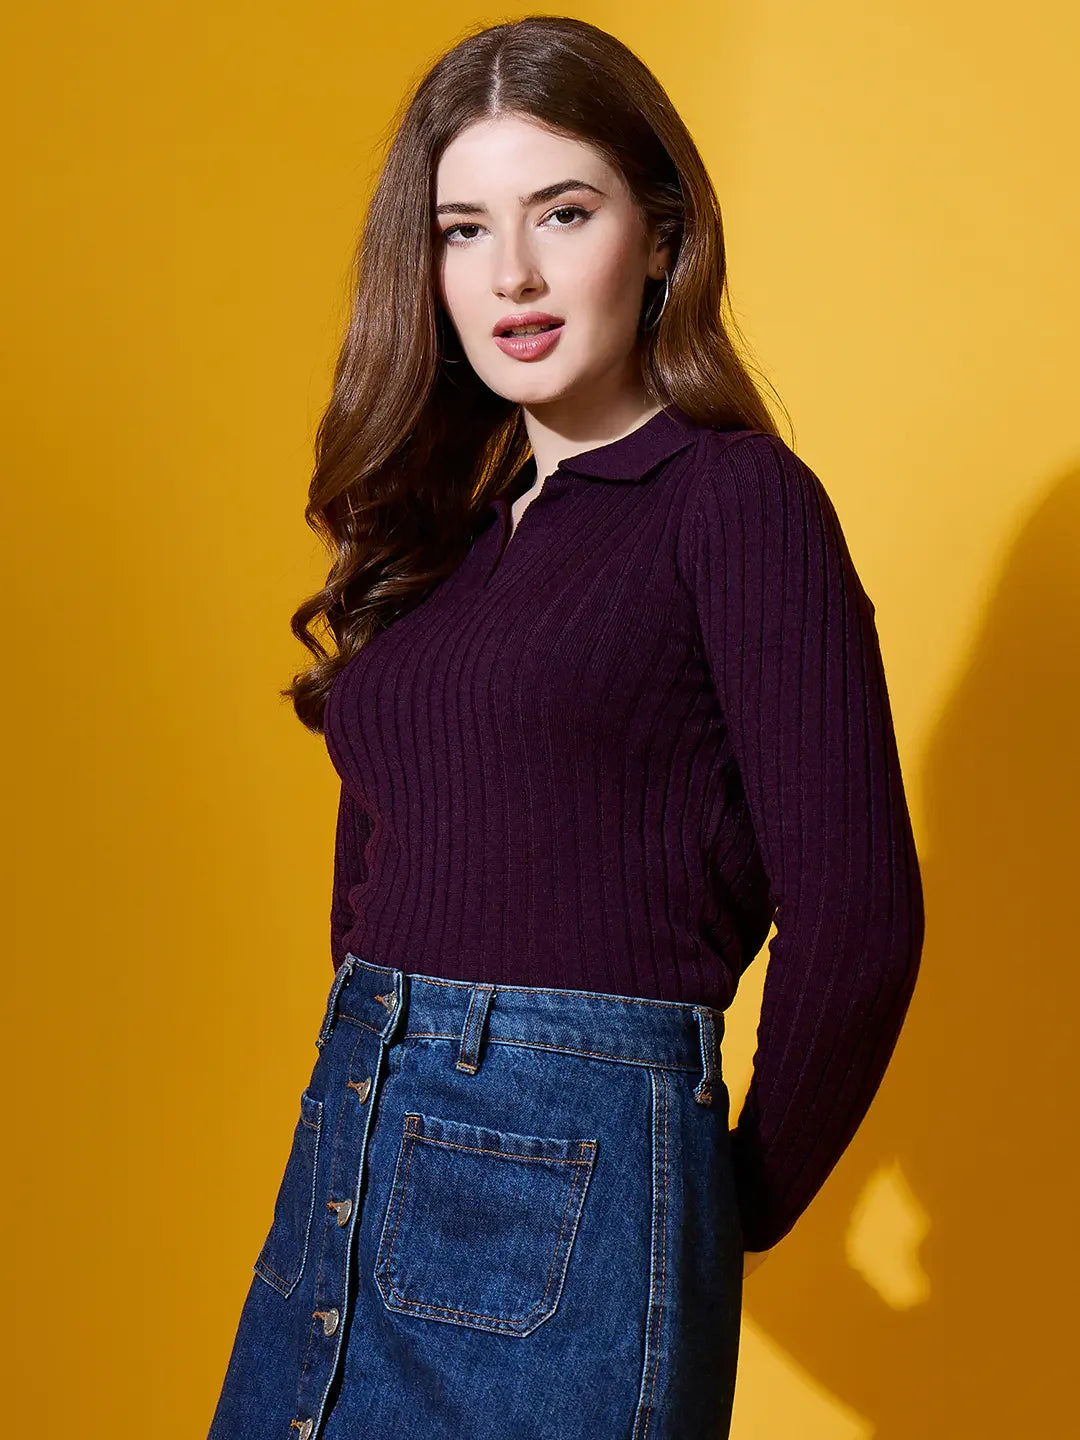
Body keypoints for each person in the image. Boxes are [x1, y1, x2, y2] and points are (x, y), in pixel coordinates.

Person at [206, 15, 924, 1440]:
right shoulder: (451, 544)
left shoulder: (734, 505)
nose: (512, 274)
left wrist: (724, 1198)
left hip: (574, 1161)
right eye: (465, 229)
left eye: (564, 212)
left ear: (659, 238)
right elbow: (376, 873)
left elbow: (859, 916)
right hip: (357, 1136)